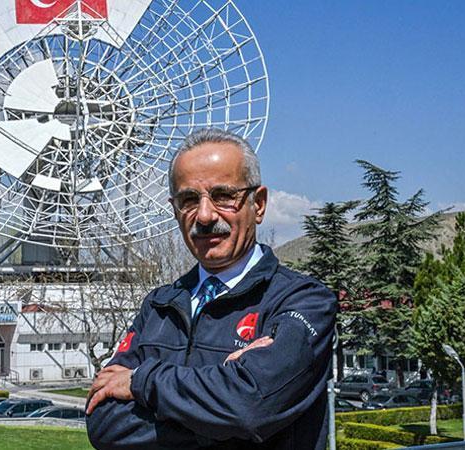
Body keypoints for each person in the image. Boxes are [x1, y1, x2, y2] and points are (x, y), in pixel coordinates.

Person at [86, 128, 337, 449]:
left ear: (259, 204)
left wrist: (140, 382)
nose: (205, 216)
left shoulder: (303, 301)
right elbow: (105, 424)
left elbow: (249, 407)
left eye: (223, 196)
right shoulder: (159, 306)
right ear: (174, 209)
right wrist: (224, 414)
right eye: (189, 200)